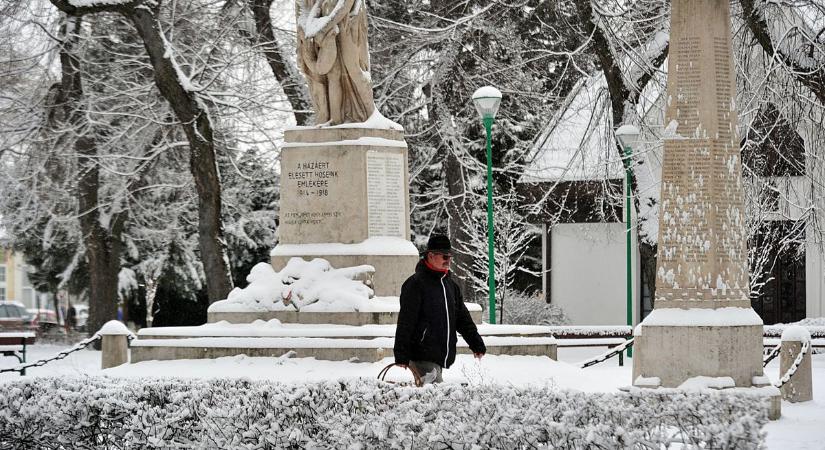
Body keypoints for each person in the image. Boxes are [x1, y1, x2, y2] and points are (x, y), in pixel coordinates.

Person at [393, 234, 486, 384]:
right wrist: (401, 354)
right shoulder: (415, 284)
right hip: (421, 356)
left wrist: (476, 343)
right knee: (436, 398)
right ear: (430, 255)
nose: (448, 260)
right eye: (444, 256)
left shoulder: (450, 286)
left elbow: (462, 318)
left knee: (433, 401)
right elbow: (406, 321)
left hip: (438, 357)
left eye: (450, 256)